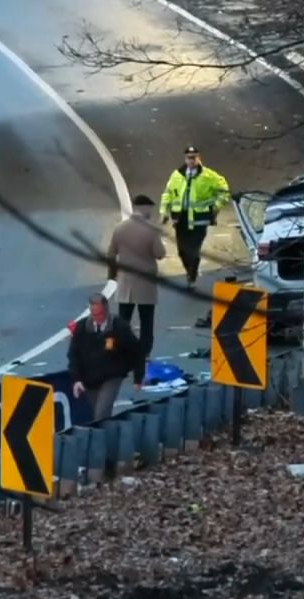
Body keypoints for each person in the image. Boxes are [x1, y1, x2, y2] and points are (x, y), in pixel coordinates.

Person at [159, 146, 230, 289]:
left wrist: (215, 207)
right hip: (180, 218)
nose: (192, 160)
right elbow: (168, 193)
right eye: (189, 158)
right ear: (185, 159)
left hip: (200, 218)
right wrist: (164, 212)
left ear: (199, 158)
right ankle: (190, 270)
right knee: (182, 250)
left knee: (194, 248)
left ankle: (192, 274)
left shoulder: (209, 176)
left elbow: (224, 192)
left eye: (194, 157)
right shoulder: (177, 175)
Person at [67, 293, 145, 421]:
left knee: (101, 414)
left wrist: (138, 377)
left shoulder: (119, 327)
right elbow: (73, 355)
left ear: (106, 310)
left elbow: (136, 351)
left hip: (112, 376)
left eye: (100, 314)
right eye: (94, 314)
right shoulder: (81, 328)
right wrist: (76, 379)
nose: (97, 318)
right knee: (96, 415)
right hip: (89, 378)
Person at [107, 194, 167, 358]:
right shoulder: (152, 229)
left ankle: (122, 351)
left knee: (123, 321)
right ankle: (144, 354)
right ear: (146, 209)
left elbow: (111, 254)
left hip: (126, 282)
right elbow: (159, 254)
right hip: (146, 283)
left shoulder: (119, 228)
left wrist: (112, 275)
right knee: (146, 322)